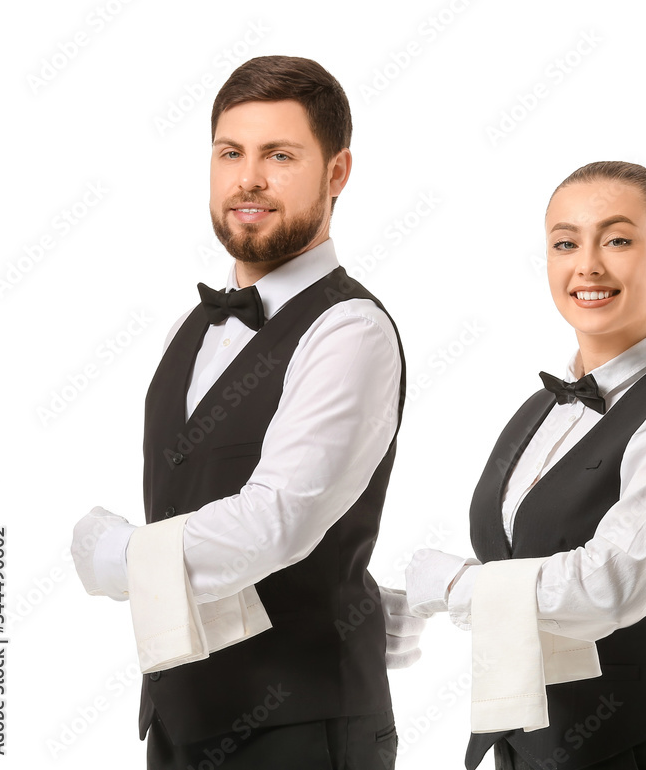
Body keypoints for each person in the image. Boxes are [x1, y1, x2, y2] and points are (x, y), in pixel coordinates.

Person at [70, 55, 422, 769]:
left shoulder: (350, 330)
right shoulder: (188, 329)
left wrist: (120, 556)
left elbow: (278, 520)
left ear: (337, 173)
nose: (248, 178)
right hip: (180, 720)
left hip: (303, 732)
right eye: (230, 152)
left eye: (279, 155)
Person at [406, 161, 646, 770]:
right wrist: (411, 603)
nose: (587, 264)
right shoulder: (541, 409)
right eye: (565, 243)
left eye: (616, 240)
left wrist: (451, 586)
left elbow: (607, 585)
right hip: (529, 748)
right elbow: (528, 569)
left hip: (640, 751)